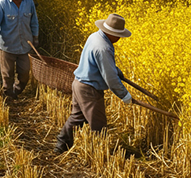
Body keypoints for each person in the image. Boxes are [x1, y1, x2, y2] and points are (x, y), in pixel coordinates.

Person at [55, 13, 133, 153]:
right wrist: (124, 95)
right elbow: (110, 78)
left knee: (76, 118)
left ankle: (60, 146)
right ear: (111, 33)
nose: (119, 38)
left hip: (79, 83)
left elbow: (102, 65)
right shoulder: (103, 47)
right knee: (98, 124)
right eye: (118, 35)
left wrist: (116, 70)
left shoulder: (95, 36)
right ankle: (100, 153)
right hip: (89, 89)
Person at [0, 0, 39, 100]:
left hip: (25, 46)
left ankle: (17, 90)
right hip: (7, 46)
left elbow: (34, 21)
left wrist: (35, 37)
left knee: (25, 74)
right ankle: (8, 95)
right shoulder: (2, 4)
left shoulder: (29, 2)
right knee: (7, 75)